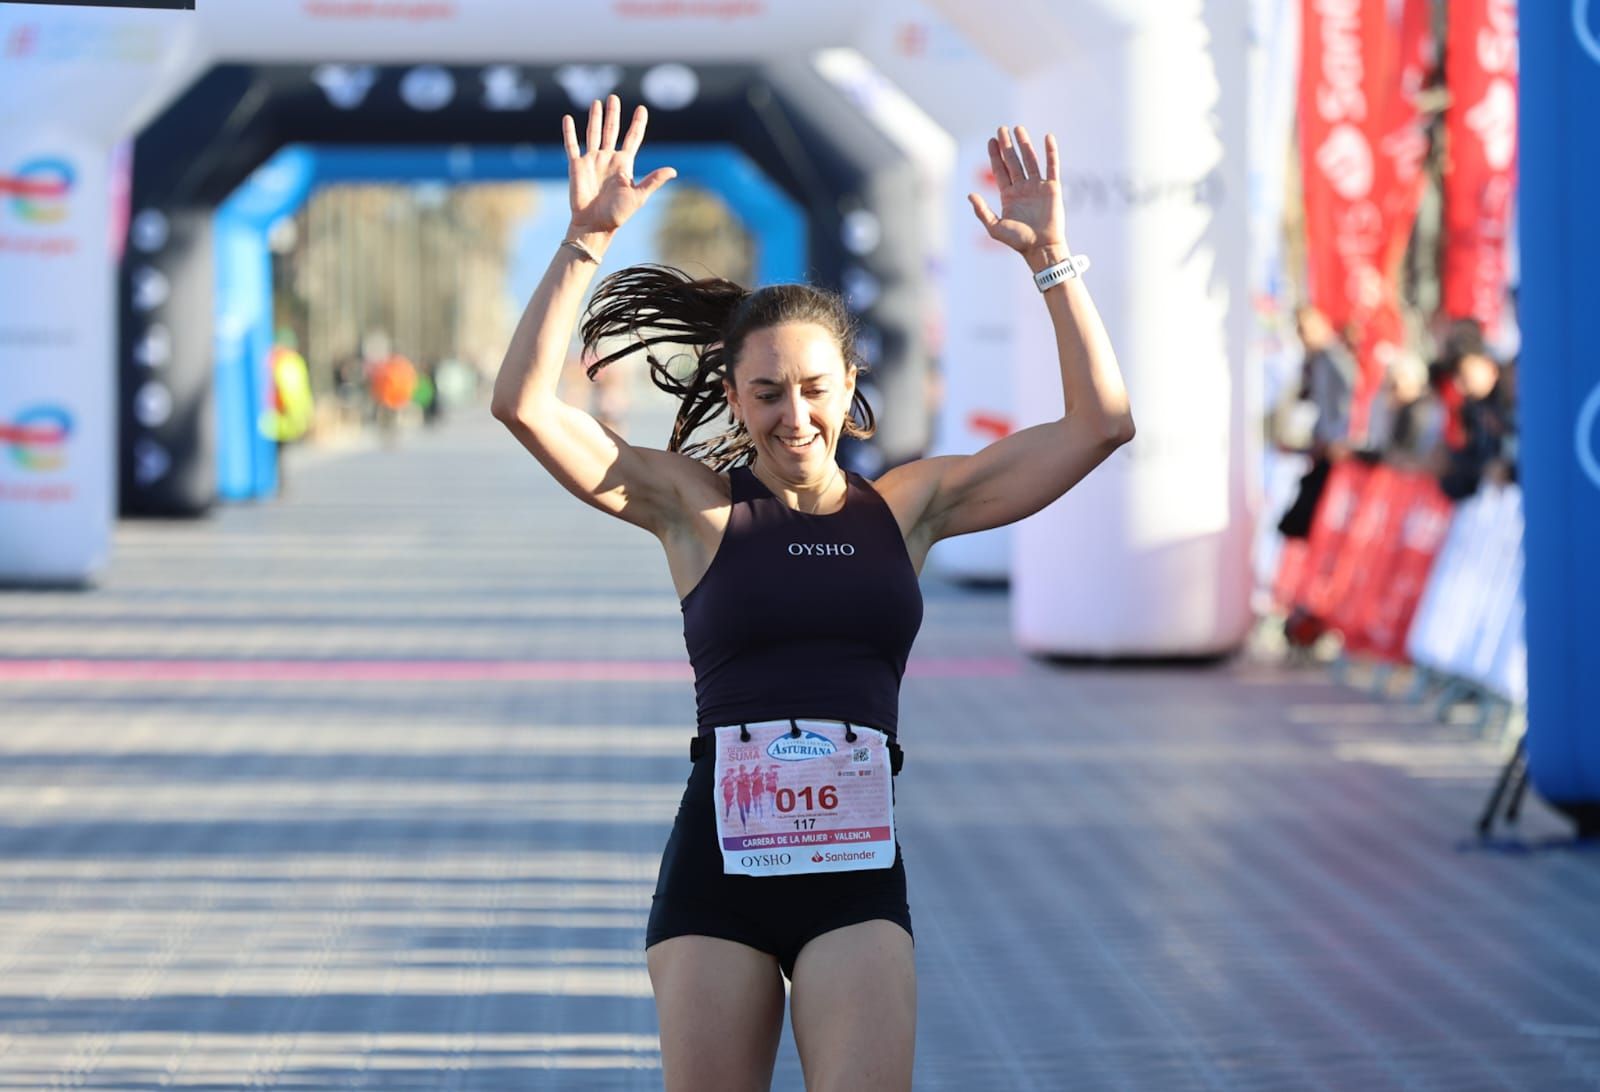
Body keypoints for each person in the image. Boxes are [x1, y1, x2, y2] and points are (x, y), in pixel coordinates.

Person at [490, 95, 1133, 1092]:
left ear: (847, 386)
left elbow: (1100, 424)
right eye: (766, 393)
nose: (794, 416)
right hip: (717, 875)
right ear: (733, 397)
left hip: (854, 880)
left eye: (814, 389)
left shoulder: (908, 508)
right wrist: (584, 242)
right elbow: (525, 406)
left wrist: (1052, 261)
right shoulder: (696, 510)